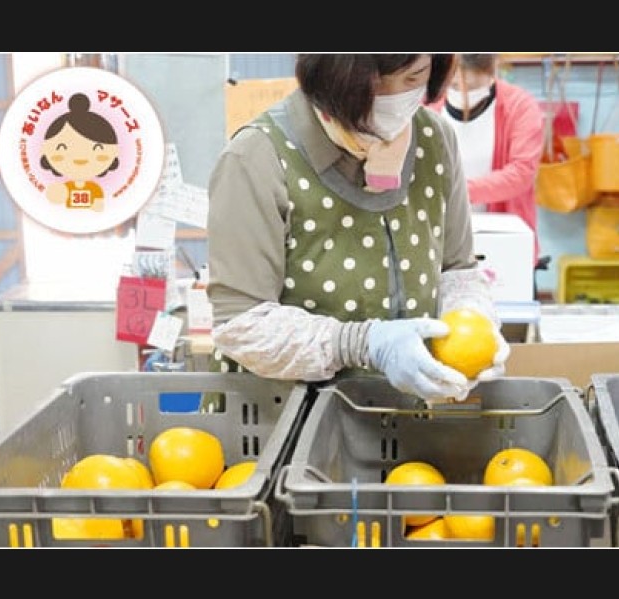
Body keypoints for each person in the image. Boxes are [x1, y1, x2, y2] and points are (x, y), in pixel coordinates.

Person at [206, 54, 509, 404]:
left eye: (414, 77)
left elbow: (456, 270)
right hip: (279, 419)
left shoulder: (434, 139)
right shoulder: (257, 157)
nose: (394, 99)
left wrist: (472, 320)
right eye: (374, 84)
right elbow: (242, 322)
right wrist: (362, 343)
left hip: (400, 418)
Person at [426, 54, 546, 272]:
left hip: (503, 240)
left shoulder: (519, 106)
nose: (463, 93)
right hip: (439, 239)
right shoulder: (427, 107)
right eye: (454, 85)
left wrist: (459, 192)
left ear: (493, 70)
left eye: (472, 86)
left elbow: (522, 173)